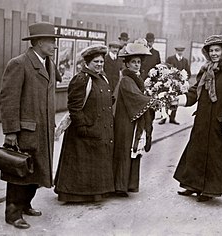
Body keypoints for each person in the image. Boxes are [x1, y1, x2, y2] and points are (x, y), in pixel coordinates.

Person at [0, 22, 61, 229]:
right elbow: (8, 99)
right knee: (19, 171)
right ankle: (13, 213)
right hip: (26, 131)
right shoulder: (19, 63)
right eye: (51, 41)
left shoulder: (49, 63)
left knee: (36, 171)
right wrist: (10, 131)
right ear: (39, 42)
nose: (54, 45)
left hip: (42, 129)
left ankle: (26, 204)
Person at [173, 35, 222, 202]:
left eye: (217, 50)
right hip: (203, 120)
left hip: (220, 121)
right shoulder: (206, 70)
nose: (213, 53)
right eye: (211, 50)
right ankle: (192, 184)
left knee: (215, 156)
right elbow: (195, 91)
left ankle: (209, 190)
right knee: (196, 152)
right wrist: (180, 100)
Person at [54, 45, 115, 203]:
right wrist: (82, 127)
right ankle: (75, 194)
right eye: (96, 61)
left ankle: (94, 193)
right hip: (84, 130)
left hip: (98, 129)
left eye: (102, 61)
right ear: (87, 62)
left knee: (93, 164)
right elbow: (74, 106)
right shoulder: (82, 79)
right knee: (80, 163)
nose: (100, 64)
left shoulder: (102, 77)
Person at [113, 40, 157, 197]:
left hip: (132, 119)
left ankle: (128, 184)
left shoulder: (135, 78)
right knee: (125, 150)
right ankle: (120, 185)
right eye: (133, 62)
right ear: (127, 64)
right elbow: (136, 97)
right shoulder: (126, 80)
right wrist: (152, 101)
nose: (137, 65)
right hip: (125, 121)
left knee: (133, 150)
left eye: (139, 62)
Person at [159, 46, 192, 125]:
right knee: (165, 99)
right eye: (178, 51)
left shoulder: (185, 61)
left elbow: (188, 72)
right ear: (176, 51)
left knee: (175, 100)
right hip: (169, 83)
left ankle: (172, 118)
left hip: (179, 85)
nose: (180, 52)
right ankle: (163, 117)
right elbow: (165, 70)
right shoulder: (170, 59)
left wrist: (184, 80)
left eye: (181, 51)